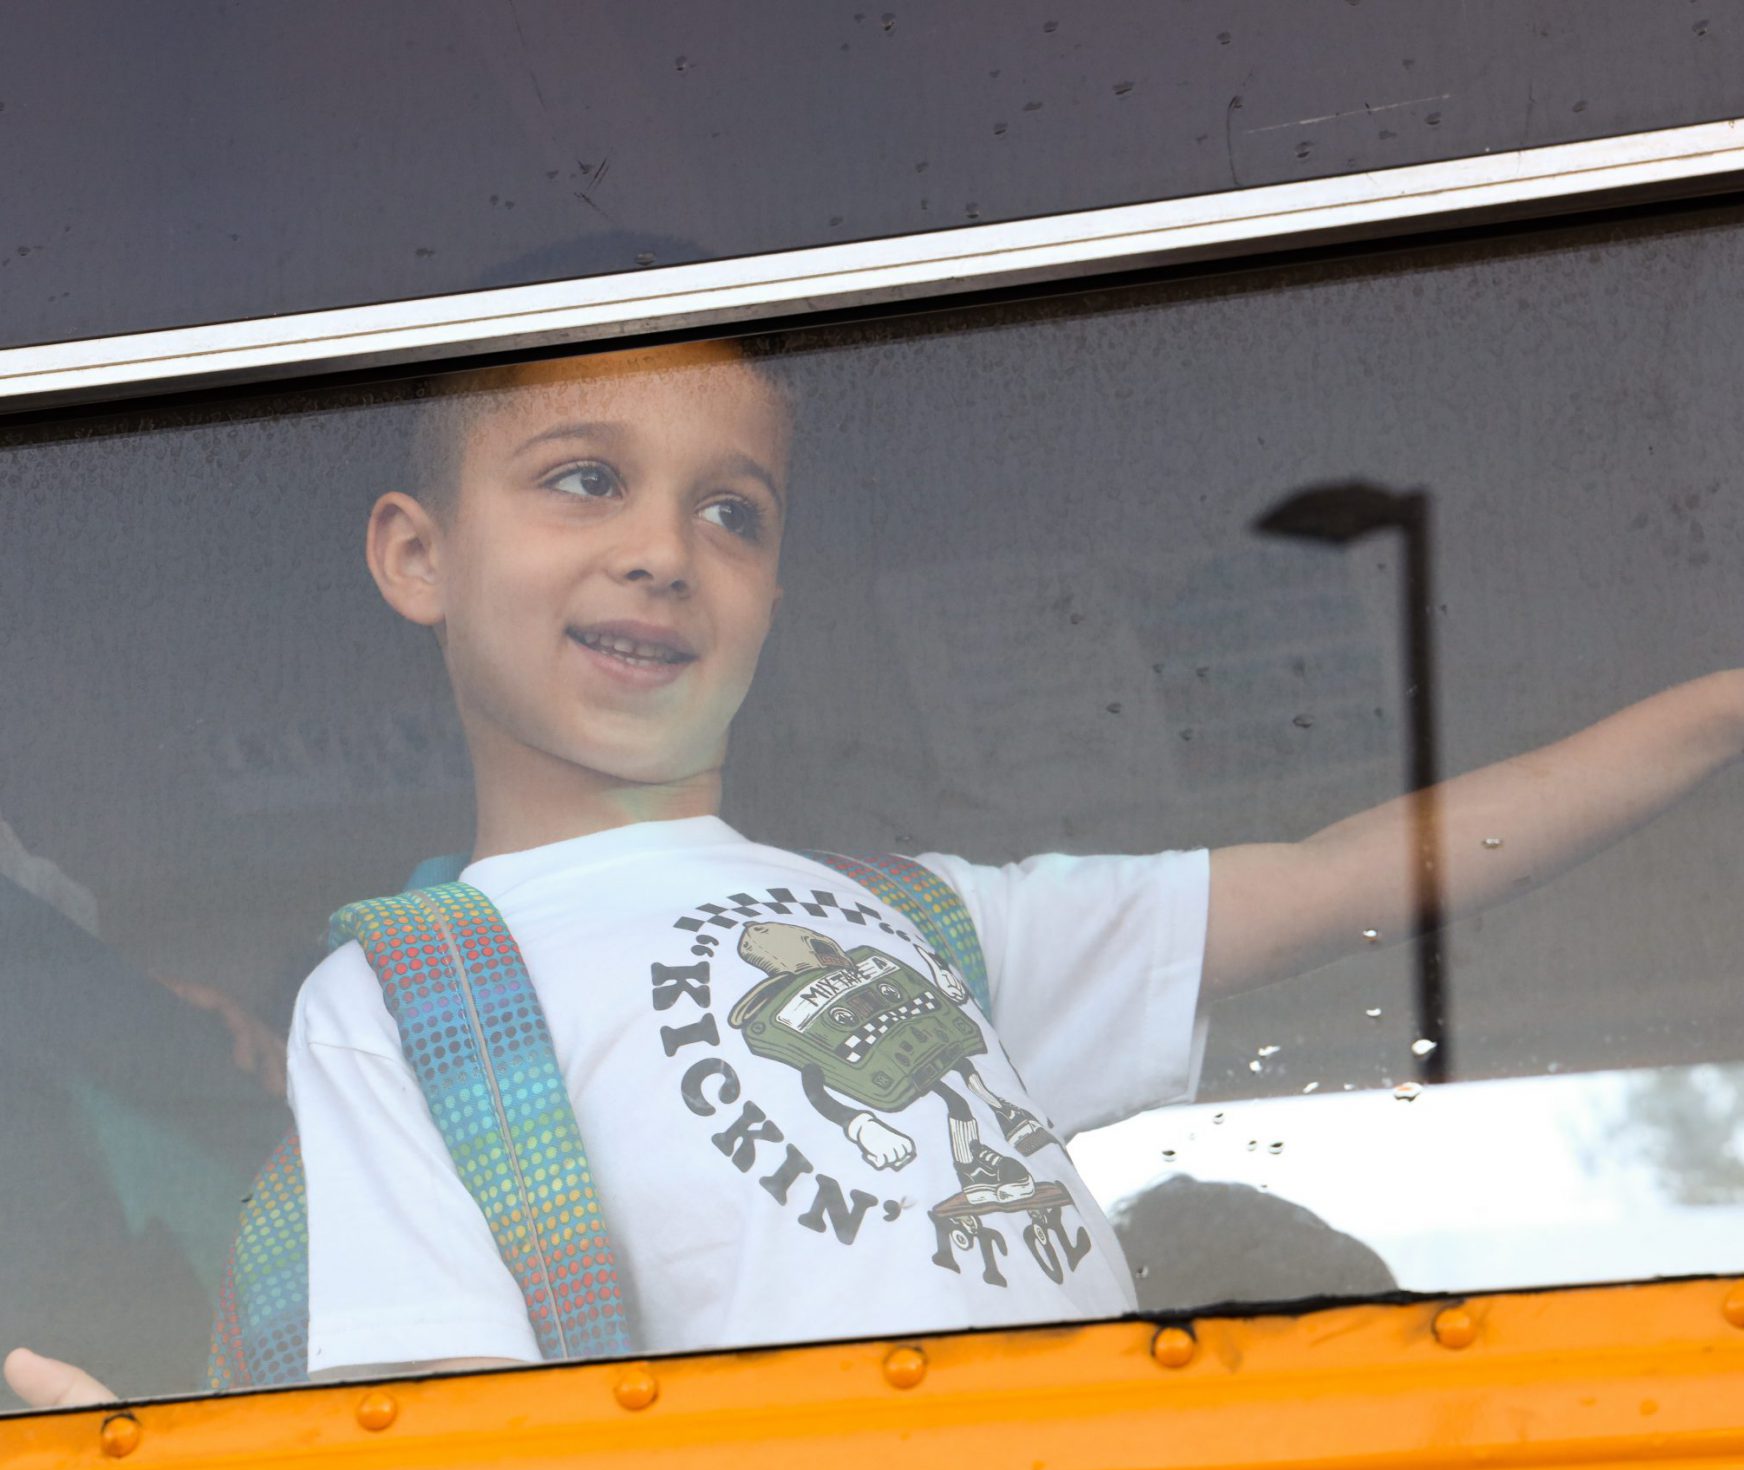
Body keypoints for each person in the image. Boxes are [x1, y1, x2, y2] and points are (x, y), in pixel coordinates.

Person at [12, 335, 1744, 1405]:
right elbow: (444, 1416)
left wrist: (1715, 714)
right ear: (418, 555)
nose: (661, 551)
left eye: (733, 510)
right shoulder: (409, 997)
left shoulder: (926, 918)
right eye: (584, 478)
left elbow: (1341, 873)